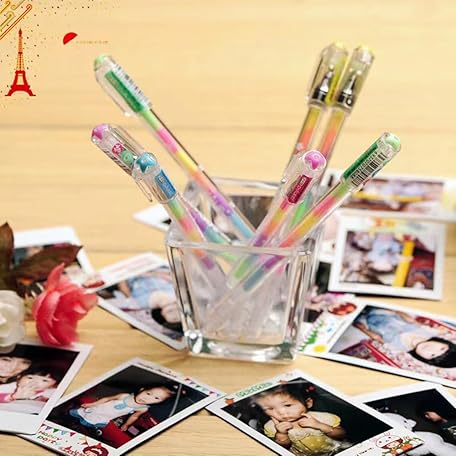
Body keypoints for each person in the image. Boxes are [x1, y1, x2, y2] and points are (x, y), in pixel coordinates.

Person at [252, 384, 349, 455]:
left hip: (335, 449)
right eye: (270, 408)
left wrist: (320, 425)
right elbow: (282, 448)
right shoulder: (272, 427)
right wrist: (281, 434)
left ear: (308, 403)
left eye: (288, 405)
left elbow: (341, 434)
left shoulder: (322, 417)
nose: (281, 412)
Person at [353, 307, 456, 368]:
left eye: (433, 355)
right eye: (441, 348)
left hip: (370, 324)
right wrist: (395, 310)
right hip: (386, 314)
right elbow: (411, 320)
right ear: (444, 342)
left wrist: (363, 329)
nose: (431, 349)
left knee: (356, 317)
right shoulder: (427, 332)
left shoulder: (400, 348)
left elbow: (378, 338)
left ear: (425, 360)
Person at [69, 384, 176, 431]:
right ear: (142, 390)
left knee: (89, 423)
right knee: (78, 413)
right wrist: (92, 404)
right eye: (148, 393)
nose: (147, 398)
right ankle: (77, 416)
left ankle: (81, 425)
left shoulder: (143, 408)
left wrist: (126, 424)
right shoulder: (124, 396)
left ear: (160, 402)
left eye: (156, 398)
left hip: (106, 416)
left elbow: (134, 416)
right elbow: (107, 399)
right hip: (99, 408)